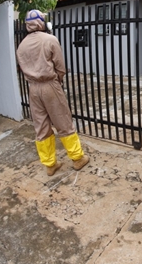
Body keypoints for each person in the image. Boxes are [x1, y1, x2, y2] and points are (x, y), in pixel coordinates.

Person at [16, 10, 89, 176]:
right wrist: (58, 81)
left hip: (33, 88)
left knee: (41, 126)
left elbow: (22, 68)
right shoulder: (50, 40)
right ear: (41, 22)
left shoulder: (22, 45)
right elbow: (60, 66)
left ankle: (50, 165)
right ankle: (77, 158)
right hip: (50, 85)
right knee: (63, 121)